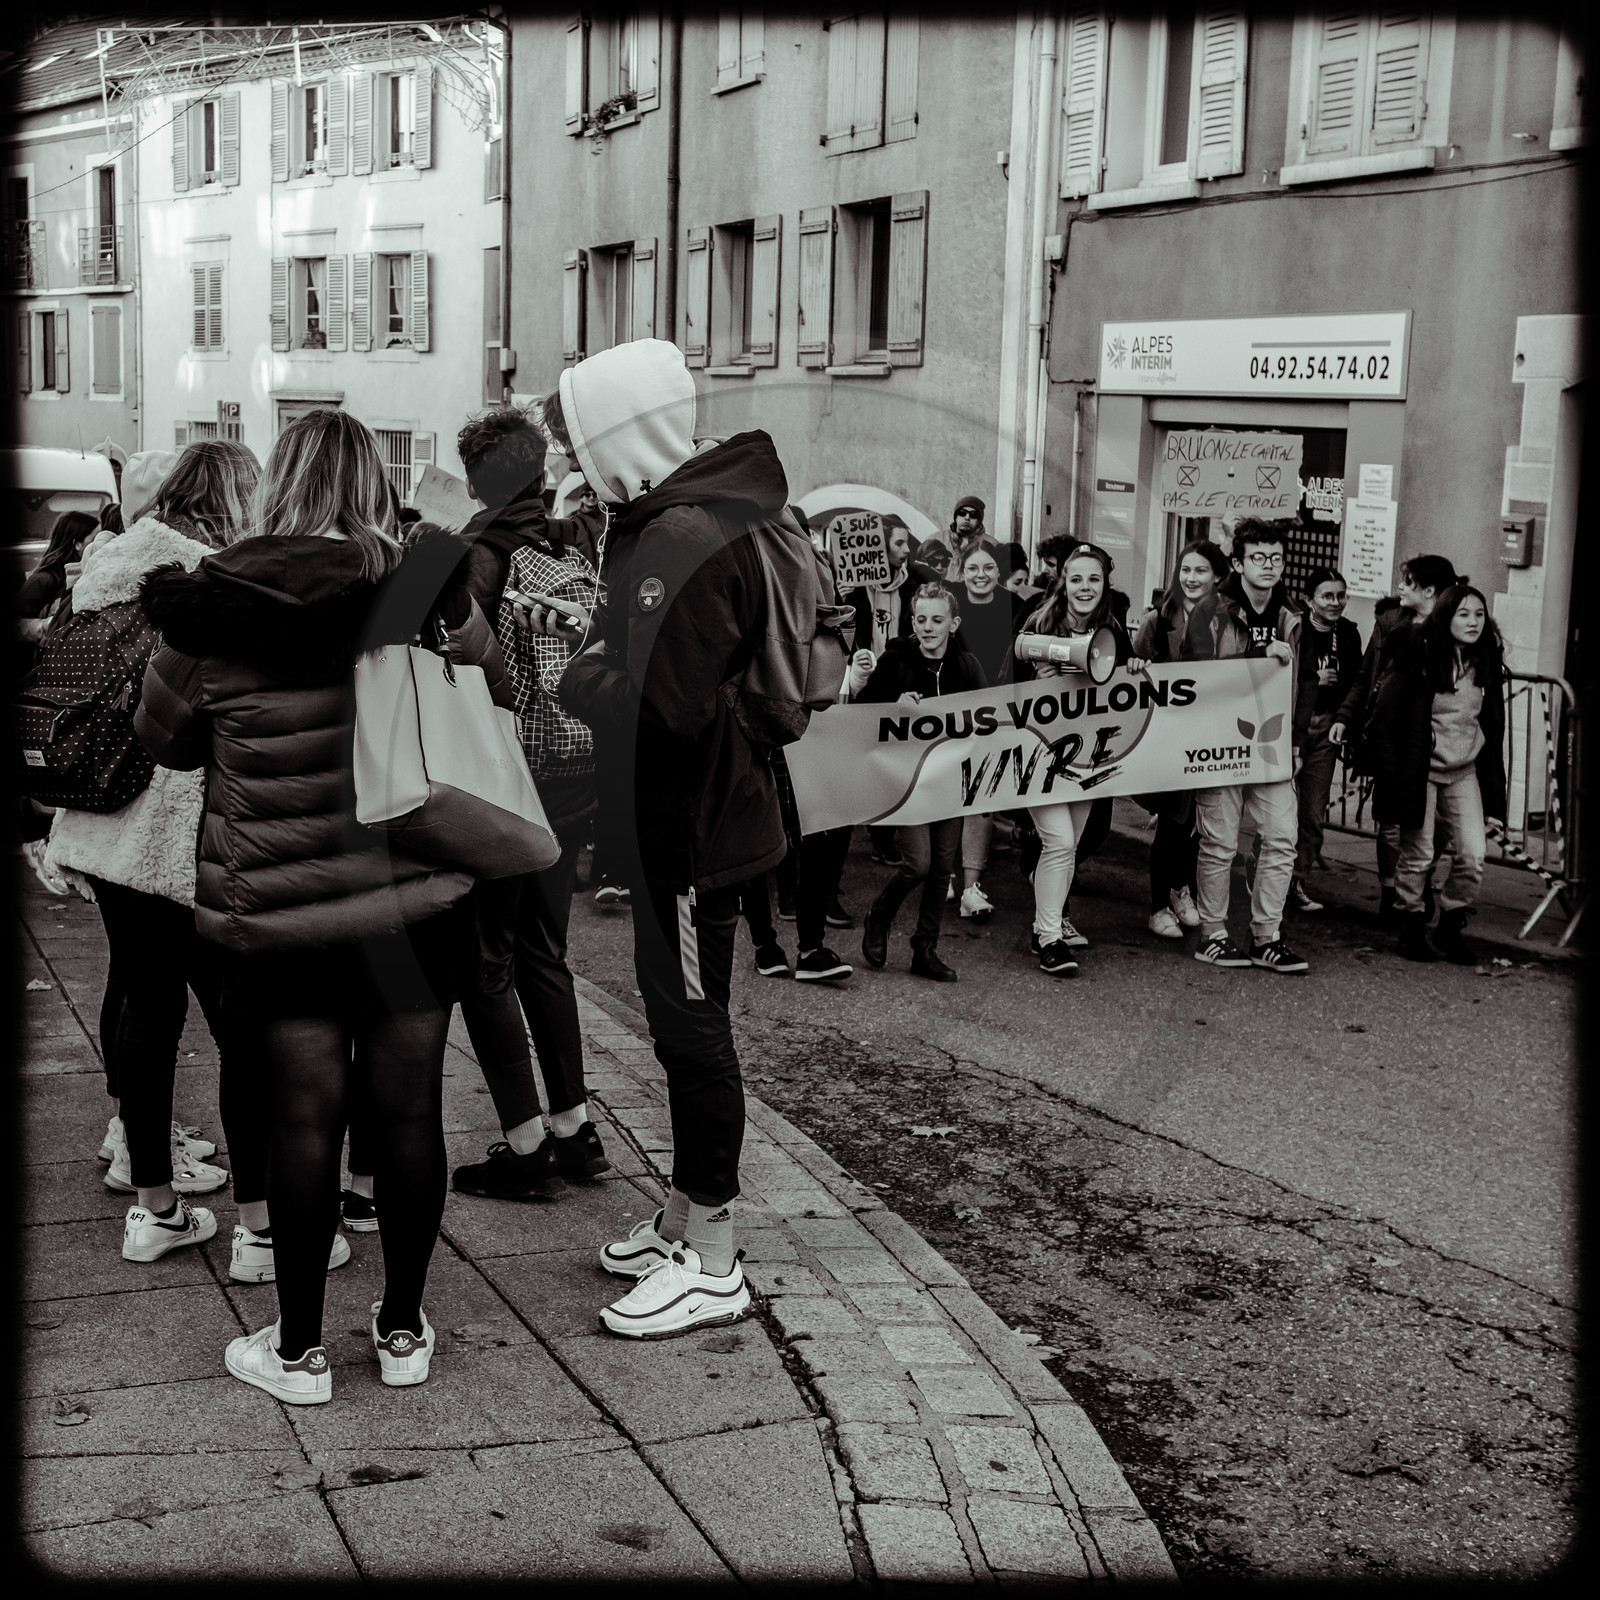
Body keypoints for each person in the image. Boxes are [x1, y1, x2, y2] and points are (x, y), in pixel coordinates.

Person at [137, 410, 506, 1404]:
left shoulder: (212, 601)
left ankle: (298, 1350)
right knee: (409, 1113)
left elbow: (160, 738)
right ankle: (399, 1329)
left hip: (280, 909)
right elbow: (491, 685)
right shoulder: (416, 589)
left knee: (301, 1120)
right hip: (412, 903)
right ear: (366, 486)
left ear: (276, 483)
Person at [554, 338, 787, 1339]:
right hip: (691, 817)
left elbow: (668, 706)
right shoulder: (688, 513)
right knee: (680, 1020)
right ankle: (687, 1214)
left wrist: (580, 665)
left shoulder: (679, 533)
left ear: (613, 435)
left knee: (693, 1031)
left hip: (686, 828)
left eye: (577, 431)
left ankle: (714, 1255)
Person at [43, 445, 263, 1265]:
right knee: (240, 1023)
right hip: (174, 829)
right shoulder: (206, 580)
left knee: (144, 1007)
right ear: (235, 498)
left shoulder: (105, 566)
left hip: (100, 818)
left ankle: (152, 1207)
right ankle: (262, 1224)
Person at [444, 405, 612, 1200]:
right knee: (546, 949)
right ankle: (577, 1130)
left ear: (477, 478)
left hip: (506, 777)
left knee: (484, 962)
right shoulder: (571, 542)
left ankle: (524, 1145)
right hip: (574, 765)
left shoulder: (478, 554)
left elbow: (449, 665)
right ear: (540, 470)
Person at [1012, 545, 1142, 974]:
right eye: (1077, 579)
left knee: (1068, 848)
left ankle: (1042, 928)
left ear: (1104, 585)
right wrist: (1034, 679)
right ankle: (1051, 940)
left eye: (1094, 579)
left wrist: (1136, 667)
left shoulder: (1113, 630)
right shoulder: (1037, 622)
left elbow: (1122, 690)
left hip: (1087, 756)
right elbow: (1005, 688)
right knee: (1060, 842)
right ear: (1063, 582)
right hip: (1039, 751)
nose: (1085, 588)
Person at [1190, 520, 1309, 974]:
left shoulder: (1292, 612)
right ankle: (1214, 934)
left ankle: (1267, 936)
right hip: (1222, 741)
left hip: (1274, 743)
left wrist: (1297, 741)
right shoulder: (1211, 609)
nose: (1269, 567)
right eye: (1258, 558)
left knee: (1281, 837)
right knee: (1220, 841)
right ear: (1237, 563)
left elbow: (1307, 682)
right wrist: (1256, 660)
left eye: (1276, 558)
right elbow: (1199, 675)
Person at [1366, 585, 1506, 964]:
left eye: (1479, 614)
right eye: (1464, 614)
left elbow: (1495, 730)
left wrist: (1498, 800)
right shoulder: (1418, 655)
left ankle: (1450, 925)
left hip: (1464, 770)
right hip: (1420, 770)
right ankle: (1411, 926)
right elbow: (1383, 718)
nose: (1473, 622)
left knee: (1474, 854)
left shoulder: (1487, 660)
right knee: (1419, 852)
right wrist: (1391, 775)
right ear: (1446, 617)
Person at [856, 584, 985, 982]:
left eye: (937, 620)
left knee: (943, 867)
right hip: (909, 780)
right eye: (921, 619)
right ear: (912, 621)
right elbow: (862, 713)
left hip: (949, 780)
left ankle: (924, 948)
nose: (928, 628)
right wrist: (896, 705)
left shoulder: (967, 665)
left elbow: (989, 717)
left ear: (953, 623)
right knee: (918, 865)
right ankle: (879, 917)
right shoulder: (895, 661)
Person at [1331, 553, 1458, 924]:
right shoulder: (1390, 623)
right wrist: (1346, 716)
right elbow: (1365, 675)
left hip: (1439, 741)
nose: (1399, 587)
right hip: (1393, 735)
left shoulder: (1456, 626)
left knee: (1438, 825)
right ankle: (1392, 891)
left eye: (1408, 582)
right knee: (1389, 822)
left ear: (1429, 590)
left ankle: (1418, 879)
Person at [1133, 539, 1231, 939]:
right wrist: (1137, 665)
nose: (1191, 578)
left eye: (1201, 571)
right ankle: (1158, 906)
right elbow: (1132, 674)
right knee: (1173, 823)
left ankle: (1181, 890)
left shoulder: (1227, 620)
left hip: (1211, 735)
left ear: (1218, 577)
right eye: (1186, 570)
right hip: (1168, 738)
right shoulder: (1157, 620)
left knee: (1197, 823)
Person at [952, 538, 1029, 922]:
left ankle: (971, 886)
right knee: (948, 798)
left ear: (999, 573)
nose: (980, 576)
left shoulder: (1015, 606)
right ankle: (947, 876)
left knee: (980, 798)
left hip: (996, 714)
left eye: (988, 569)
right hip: (948, 712)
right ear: (960, 571)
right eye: (972, 568)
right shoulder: (949, 602)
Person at [1291, 567, 1363, 914]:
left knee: (1313, 813)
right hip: (1293, 727)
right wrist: (1311, 679)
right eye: (1327, 596)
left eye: (1341, 596)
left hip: (1327, 728)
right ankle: (1264, 879)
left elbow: (1356, 682)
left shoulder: (1348, 634)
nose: (1335, 603)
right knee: (1280, 811)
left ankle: (1297, 882)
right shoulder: (1293, 626)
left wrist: (1344, 721)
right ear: (1309, 600)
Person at [547, 478, 606, 572]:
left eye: (594, 494)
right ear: (581, 498)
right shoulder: (572, 517)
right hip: (581, 565)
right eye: (587, 494)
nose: (591, 497)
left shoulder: (604, 517)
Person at [949, 495, 985, 565]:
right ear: (956, 517)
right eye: (962, 513)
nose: (967, 517)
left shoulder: (991, 544)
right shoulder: (937, 539)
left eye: (973, 514)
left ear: (979, 521)